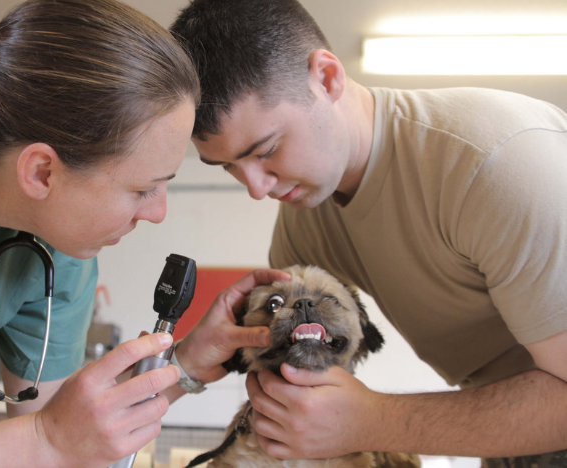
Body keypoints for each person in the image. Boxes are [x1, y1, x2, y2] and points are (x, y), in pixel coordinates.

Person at [0, 0, 289, 466]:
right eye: (143, 189)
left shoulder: (55, 248)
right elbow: (48, 440)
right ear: (41, 172)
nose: (158, 213)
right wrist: (45, 441)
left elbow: (70, 435)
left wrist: (186, 363)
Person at [170, 0, 567, 467]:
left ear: (328, 78)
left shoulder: (498, 166)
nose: (256, 188)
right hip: (512, 433)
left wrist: (374, 421)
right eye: (230, 166)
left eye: (267, 149)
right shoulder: (306, 215)